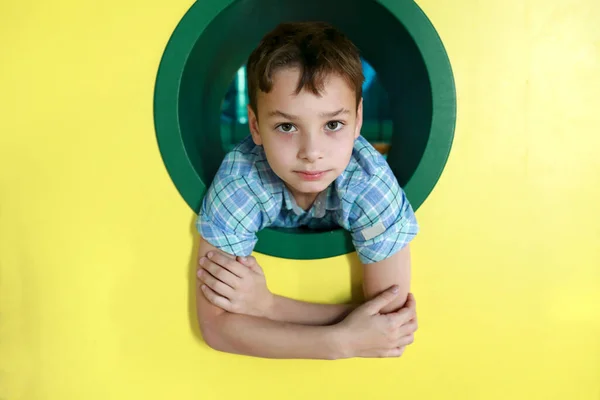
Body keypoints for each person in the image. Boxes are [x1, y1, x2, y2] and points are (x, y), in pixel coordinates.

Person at [194, 21, 419, 360]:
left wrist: (268, 306)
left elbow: (391, 320)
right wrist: (342, 341)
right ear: (255, 126)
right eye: (287, 126)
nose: (311, 151)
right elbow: (215, 326)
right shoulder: (241, 181)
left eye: (333, 125)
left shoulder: (369, 182)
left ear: (358, 120)